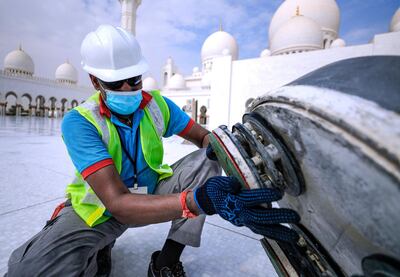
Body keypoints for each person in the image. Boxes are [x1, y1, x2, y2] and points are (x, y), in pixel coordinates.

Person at [5, 25, 300, 277]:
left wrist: (236, 159)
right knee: (29, 270)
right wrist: (199, 200)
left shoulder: (157, 104)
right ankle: (98, 248)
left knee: (205, 162)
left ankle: (166, 262)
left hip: (151, 192)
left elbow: (202, 137)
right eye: (114, 82)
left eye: (134, 79)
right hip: (99, 209)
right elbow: (118, 203)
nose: (127, 88)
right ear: (95, 81)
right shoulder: (80, 122)